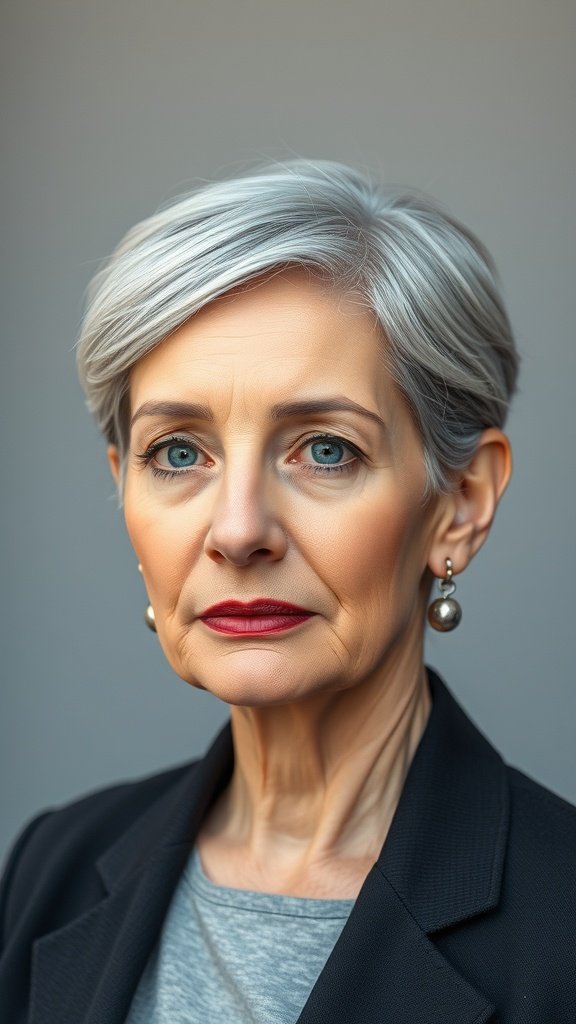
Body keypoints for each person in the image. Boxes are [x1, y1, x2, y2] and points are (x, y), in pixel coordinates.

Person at [0, 159, 574, 1024]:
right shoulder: (50, 866)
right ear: (123, 486)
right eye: (179, 453)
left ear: (459, 504)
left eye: (326, 449)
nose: (237, 531)